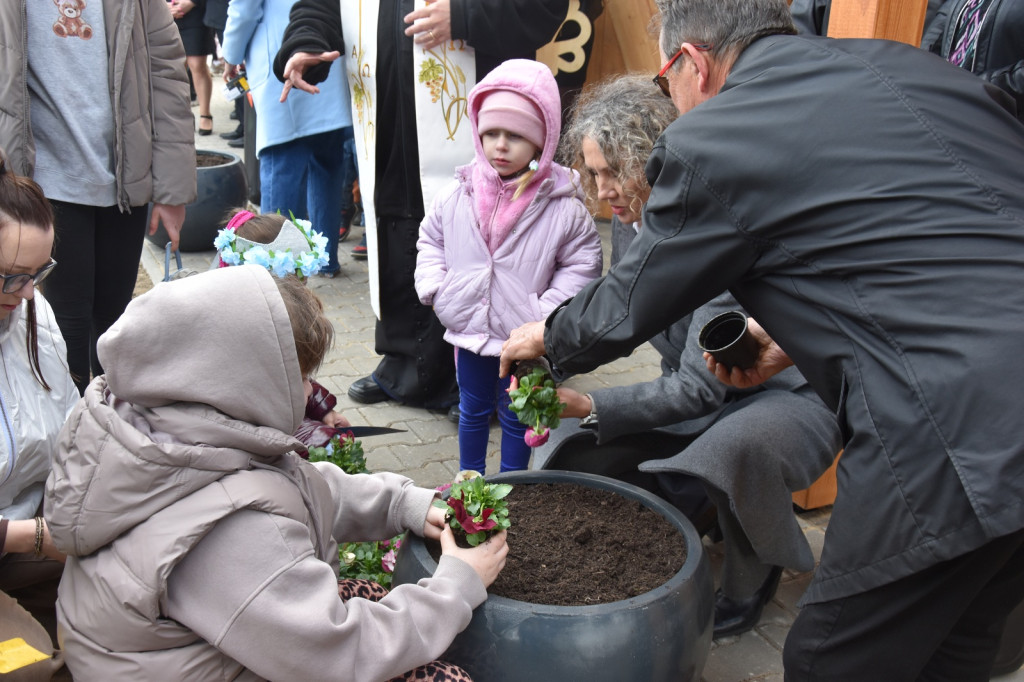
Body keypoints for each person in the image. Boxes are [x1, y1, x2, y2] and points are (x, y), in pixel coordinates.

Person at [499, 0, 1024, 678]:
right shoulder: (906, 70)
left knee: (832, 657)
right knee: (958, 642)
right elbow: (924, 242)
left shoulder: (717, 136)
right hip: (994, 405)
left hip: (960, 430)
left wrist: (547, 336)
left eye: (666, 85)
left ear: (692, 63)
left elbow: (631, 302)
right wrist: (784, 332)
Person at [44, 265, 508, 680]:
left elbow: (293, 486)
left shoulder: (168, 429)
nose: (309, 392)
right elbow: (340, 652)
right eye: (301, 376)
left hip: (194, 645)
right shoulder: (228, 534)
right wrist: (455, 585)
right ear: (243, 382)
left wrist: (400, 501)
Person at [537, 74, 842, 638]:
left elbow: (697, 389)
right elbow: (624, 325)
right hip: (707, 390)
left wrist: (586, 402)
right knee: (570, 450)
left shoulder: (708, 229)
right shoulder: (635, 228)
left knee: (734, 448)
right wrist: (550, 368)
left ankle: (755, 572)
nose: (603, 190)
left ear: (655, 161)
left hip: (783, 396)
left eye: (615, 170)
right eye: (593, 172)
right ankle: (698, 507)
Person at [273, 0, 570, 411]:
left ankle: (477, 379)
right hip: (386, 109)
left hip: (481, 119)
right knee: (396, 221)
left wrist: (465, 15)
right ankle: (403, 366)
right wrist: (305, 41)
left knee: (475, 236)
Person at [0, 0, 196, 395]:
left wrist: (172, 189)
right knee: (63, 319)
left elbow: (168, 75)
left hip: (125, 177)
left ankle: (112, 426)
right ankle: (70, 429)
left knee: (115, 320)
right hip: (45, 178)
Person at [415, 59, 601, 474]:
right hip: (470, 334)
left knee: (519, 415)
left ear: (542, 141)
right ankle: (470, 483)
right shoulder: (456, 194)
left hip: (525, 338)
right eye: (491, 133)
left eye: (515, 136)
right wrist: (435, 286)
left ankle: (517, 489)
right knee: (472, 409)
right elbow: (432, 240)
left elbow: (582, 266)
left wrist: (543, 315)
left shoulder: (563, 208)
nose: (501, 145)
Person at [0, 159, 79, 680]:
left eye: (38, 274)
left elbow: (73, 423)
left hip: (34, 532)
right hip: (22, 536)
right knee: (31, 666)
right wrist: (30, 536)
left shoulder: (32, 311)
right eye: (11, 277)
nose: (27, 293)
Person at [222, 0, 354, 278]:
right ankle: (325, 259)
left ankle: (281, 275)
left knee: (282, 171)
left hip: (282, 63)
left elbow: (244, 8)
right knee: (327, 166)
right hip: (325, 60)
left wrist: (231, 53)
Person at [214, 207, 355, 446]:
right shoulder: (240, 334)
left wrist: (323, 411)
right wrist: (318, 439)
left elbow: (296, 376)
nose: (303, 294)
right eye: (297, 287)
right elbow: (269, 413)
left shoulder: (263, 310)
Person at [922, 0, 1024, 121]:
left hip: (999, 123)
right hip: (947, 111)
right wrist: (925, 69)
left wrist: (976, 88)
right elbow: (945, 17)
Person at [170, 0, 216, 136]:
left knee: (197, 65)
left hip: (195, 12)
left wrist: (191, 2)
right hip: (165, 14)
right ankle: (179, 116)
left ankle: (205, 114)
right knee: (173, 67)